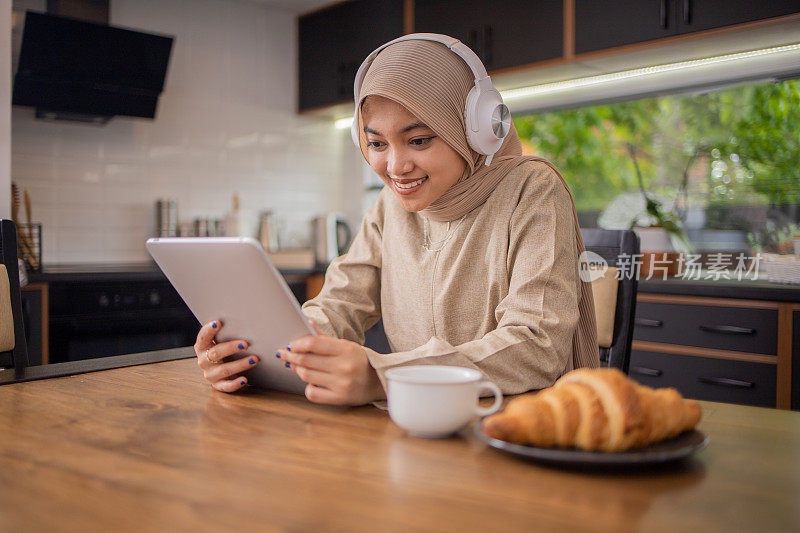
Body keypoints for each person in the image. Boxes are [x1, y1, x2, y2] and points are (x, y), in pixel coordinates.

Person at [194, 34, 599, 405]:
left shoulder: (532, 189)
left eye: (419, 140)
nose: (395, 166)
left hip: (516, 431)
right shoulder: (391, 205)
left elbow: (536, 345)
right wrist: (258, 353)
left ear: (474, 129)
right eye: (376, 144)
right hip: (417, 423)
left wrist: (384, 377)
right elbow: (338, 307)